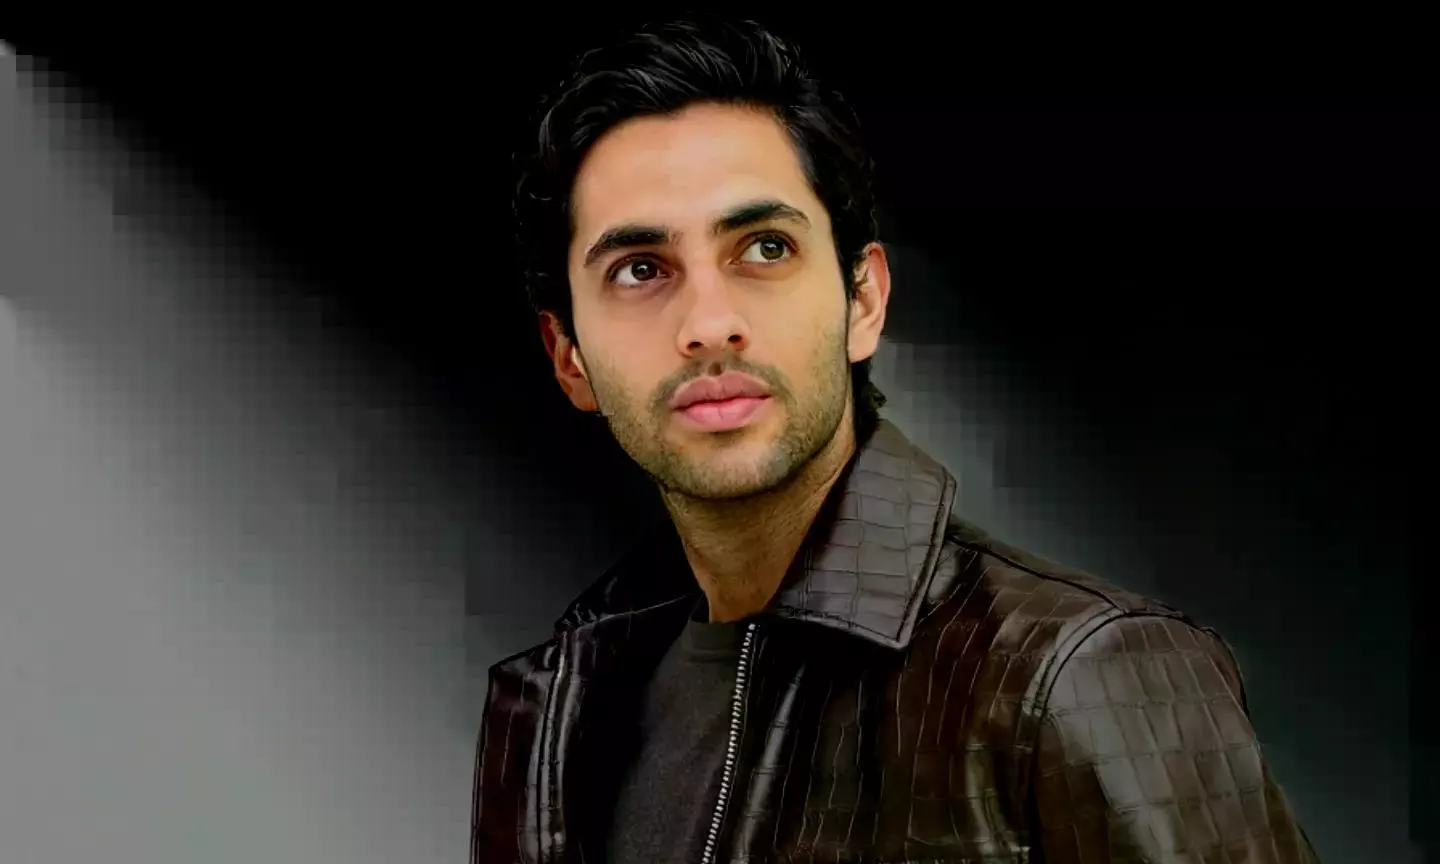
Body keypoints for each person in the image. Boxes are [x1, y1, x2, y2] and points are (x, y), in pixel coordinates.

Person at [473, 15, 1316, 863]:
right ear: (569, 357)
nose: (709, 324)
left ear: (864, 301)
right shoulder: (564, 711)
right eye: (640, 270)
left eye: (765, 248)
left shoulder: (1077, 672)